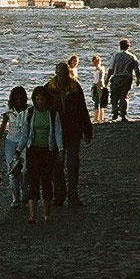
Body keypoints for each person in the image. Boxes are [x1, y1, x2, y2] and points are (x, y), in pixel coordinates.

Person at [47, 60, 93, 206]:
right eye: (59, 75)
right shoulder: (49, 88)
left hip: (73, 131)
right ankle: (59, 195)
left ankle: (73, 195)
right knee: (56, 166)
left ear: (69, 73)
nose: (61, 78)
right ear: (56, 74)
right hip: (55, 132)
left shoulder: (75, 88)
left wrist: (87, 130)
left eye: (64, 74)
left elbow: (83, 109)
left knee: (73, 164)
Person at [22, 85, 62, 224]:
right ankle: (32, 215)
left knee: (46, 181)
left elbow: (57, 133)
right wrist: (19, 150)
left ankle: (46, 213)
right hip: (33, 150)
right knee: (33, 181)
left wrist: (61, 149)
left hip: (48, 150)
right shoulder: (30, 113)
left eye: (42, 99)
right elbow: (25, 133)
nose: (40, 102)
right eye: (37, 99)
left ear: (46, 99)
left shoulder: (53, 114)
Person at [0, 85, 31, 209]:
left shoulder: (30, 110)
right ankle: (16, 198)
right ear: (13, 99)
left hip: (25, 141)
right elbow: (3, 125)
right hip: (11, 141)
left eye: (21, 99)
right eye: (17, 99)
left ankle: (24, 193)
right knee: (12, 170)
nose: (19, 101)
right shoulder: (9, 111)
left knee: (25, 170)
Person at [107, 38, 140, 121]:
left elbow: (111, 69)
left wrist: (107, 78)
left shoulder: (115, 56)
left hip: (116, 77)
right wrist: (138, 79)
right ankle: (123, 115)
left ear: (120, 46)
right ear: (128, 47)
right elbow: (136, 70)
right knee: (124, 96)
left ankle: (115, 109)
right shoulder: (132, 57)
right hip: (127, 78)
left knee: (114, 95)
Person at [89, 54, 108, 124]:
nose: (94, 64)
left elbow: (101, 73)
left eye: (95, 62)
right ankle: (100, 117)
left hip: (99, 86)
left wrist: (98, 64)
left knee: (98, 102)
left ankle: (97, 118)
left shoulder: (101, 68)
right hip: (95, 85)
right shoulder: (97, 69)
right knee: (98, 102)